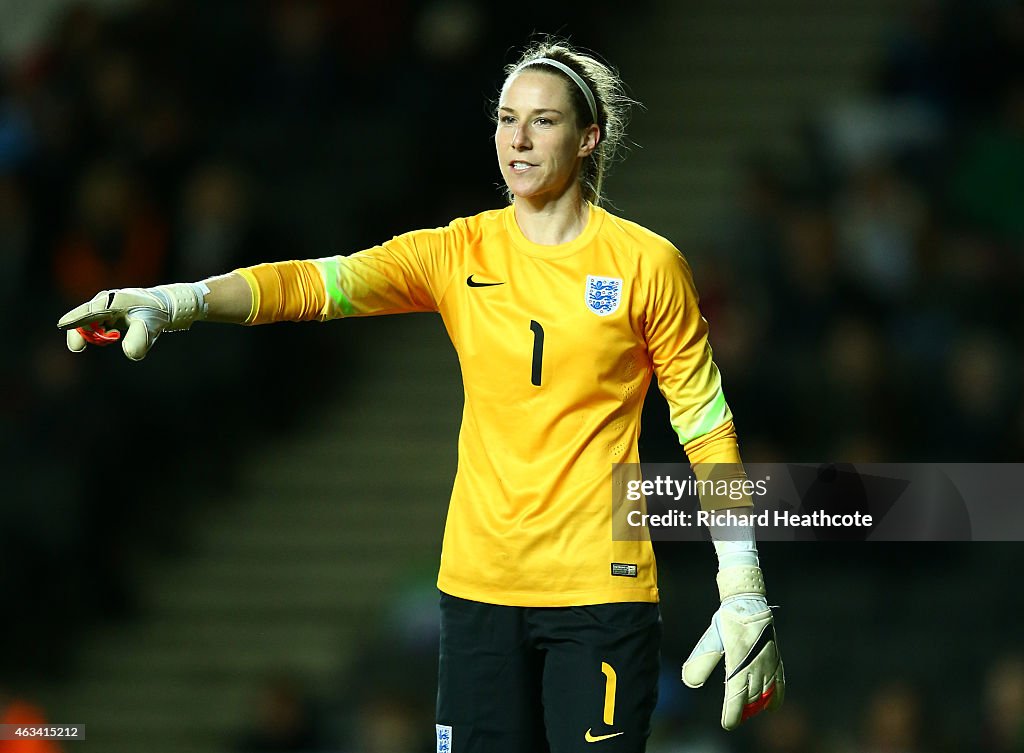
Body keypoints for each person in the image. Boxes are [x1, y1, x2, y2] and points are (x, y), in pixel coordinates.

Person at [57, 39, 784, 753]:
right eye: (506, 118)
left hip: (600, 591)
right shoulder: (456, 252)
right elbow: (315, 284)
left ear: (589, 136)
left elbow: (706, 427)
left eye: (544, 120)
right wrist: (177, 297)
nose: (518, 139)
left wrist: (742, 580)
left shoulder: (648, 265)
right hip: (478, 590)